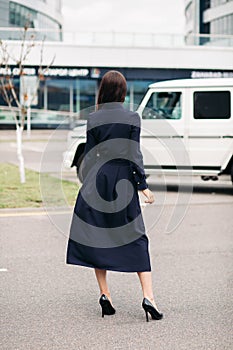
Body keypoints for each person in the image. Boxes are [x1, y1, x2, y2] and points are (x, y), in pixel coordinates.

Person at [66, 70, 163, 322]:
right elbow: (134, 154)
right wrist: (142, 185)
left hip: (97, 181)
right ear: (122, 92)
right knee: (136, 236)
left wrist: (88, 184)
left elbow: (89, 155)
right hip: (123, 183)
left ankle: (105, 295)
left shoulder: (93, 118)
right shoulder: (132, 117)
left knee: (97, 237)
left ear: (103, 91)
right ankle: (148, 298)